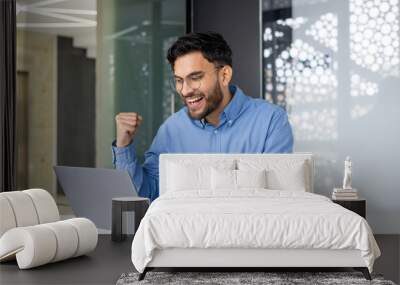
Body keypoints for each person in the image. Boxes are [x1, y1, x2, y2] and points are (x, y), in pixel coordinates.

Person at [111, 32, 293, 201]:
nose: (185, 90)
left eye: (195, 77)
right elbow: (146, 195)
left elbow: (276, 199)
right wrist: (124, 144)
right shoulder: (172, 129)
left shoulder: (270, 121)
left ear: (224, 75)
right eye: (179, 80)